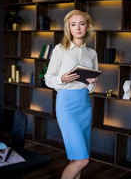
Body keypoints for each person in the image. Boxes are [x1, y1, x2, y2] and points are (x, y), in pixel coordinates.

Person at [44, 10, 98, 179]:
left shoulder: (92, 53)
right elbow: (48, 78)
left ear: (87, 27)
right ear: (68, 27)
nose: (78, 28)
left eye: (81, 24)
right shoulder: (60, 49)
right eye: (73, 24)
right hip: (66, 104)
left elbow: (93, 84)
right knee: (83, 160)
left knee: (77, 158)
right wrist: (62, 78)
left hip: (84, 104)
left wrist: (91, 83)